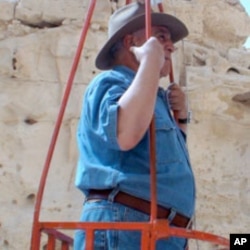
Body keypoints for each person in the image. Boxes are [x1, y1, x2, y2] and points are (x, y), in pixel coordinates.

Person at [74, 1, 195, 249]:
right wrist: (151, 60)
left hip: (159, 231)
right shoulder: (109, 83)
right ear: (132, 44)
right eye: (161, 37)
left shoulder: (153, 97)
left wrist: (181, 119)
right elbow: (125, 134)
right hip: (125, 226)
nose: (171, 46)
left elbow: (163, 161)